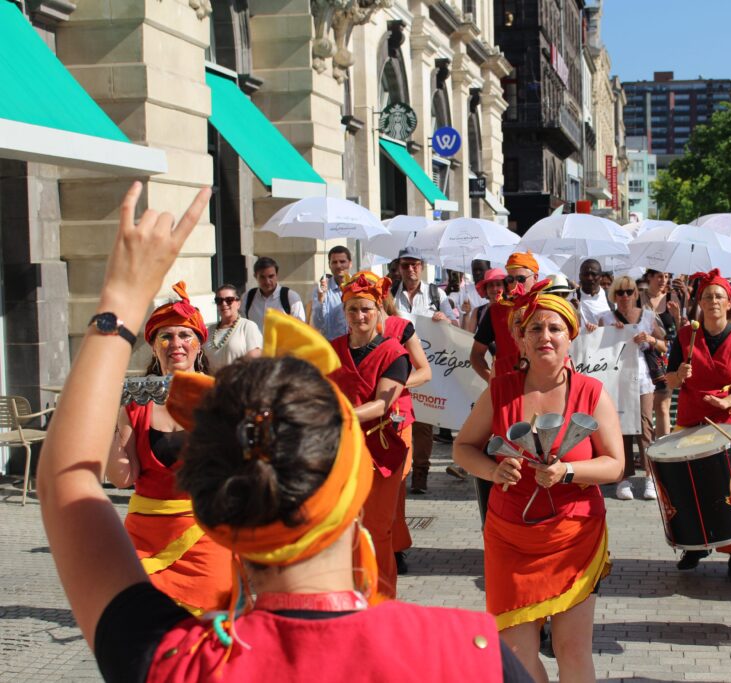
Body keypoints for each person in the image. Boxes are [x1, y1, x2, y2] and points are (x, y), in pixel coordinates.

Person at [38, 183, 532, 682]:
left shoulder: (175, 662)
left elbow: (65, 482)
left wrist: (119, 304)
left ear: (218, 518)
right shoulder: (471, 655)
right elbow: (66, 485)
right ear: (353, 488)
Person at [452, 282, 625, 682]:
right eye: (535, 329)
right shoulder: (500, 390)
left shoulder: (592, 393)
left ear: (570, 337)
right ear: (521, 340)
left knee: (572, 651)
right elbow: (463, 448)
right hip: (509, 536)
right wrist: (492, 471)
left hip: (574, 535)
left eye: (555, 328)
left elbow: (615, 465)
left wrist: (568, 471)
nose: (545, 336)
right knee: (515, 656)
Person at [106, 279, 233, 615]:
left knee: (208, 639)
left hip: (208, 535)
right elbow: (122, 477)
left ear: (199, 345)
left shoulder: (223, 398)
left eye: (184, 335)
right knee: (148, 642)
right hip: (145, 539)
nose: (175, 343)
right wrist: (108, 424)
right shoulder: (134, 404)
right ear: (154, 346)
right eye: (166, 336)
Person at [327, 273, 412, 599]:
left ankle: (381, 600)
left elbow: (381, 403)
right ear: (344, 312)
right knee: (341, 527)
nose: (359, 317)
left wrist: (339, 414)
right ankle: (346, 598)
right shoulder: (331, 350)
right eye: (352, 310)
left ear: (379, 310)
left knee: (376, 530)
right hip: (339, 451)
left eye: (366, 309)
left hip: (379, 451)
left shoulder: (394, 353)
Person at [666, 270, 731, 582]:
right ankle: (694, 545)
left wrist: (728, 403)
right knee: (689, 487)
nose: (713, 301)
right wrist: (678, 375)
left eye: (719, 297)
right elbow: (669, 378)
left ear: (729, 303)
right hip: (690, 419)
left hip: (728, 423)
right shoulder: (687, 335)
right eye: (707, 297)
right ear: (699, 303)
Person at [391, 246, 457, 494]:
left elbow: (454, 325)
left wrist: (445, 319)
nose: (410, 269)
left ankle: (420, 474)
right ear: (399, 267)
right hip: (395, 365)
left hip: (426, 367)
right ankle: (398, 471)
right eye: (406, 264)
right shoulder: (389, 294)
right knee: (395, 420)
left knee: (423, 423)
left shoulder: (434, 294)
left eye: (415, 264)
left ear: (422, 266)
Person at [598, 274, 666, 501]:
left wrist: (650, 339)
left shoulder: (647, 317)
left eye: (629, 291)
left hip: (643, 380)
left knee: (645, 428)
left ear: (636, 294)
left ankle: (650, 478)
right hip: (616, 382)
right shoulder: (605, 318)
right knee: (620, 430)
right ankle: (623, 479)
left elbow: (664, 346)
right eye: (620, 292)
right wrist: (603, 334)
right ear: (613, 295)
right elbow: (595, 350)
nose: (625, 296)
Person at [471, 252, 540, 381]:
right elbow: (476, 355)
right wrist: (493, 382)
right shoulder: (495, 311)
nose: (516, 284)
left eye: (521, 279)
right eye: (510, 279)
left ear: (535, 277)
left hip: (542, 390)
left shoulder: (548, 308)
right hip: (508, 388)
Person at [641, 269, 683, 439]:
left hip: (667, 357)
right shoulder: (638, 297)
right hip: (643, 357)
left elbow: (681, 333)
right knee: (646, 408)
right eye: (659, 276)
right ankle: (647, 449)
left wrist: (678, 317)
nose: (663, 280)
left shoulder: (672, 298)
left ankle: (662, 451)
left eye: (666, 276)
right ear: (649, 277)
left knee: (663, 406)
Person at [204, 284, 262, 372]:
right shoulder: (209, 331)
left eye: (229, 300)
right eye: (219, 300)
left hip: (238, 383)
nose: (224, 303)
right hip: (213, 384)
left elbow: (256, 356)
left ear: (238, 303)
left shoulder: (248, 326)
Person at [243, 256, 306, 330]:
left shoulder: (291, 297)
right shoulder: (247, 297)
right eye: (262, 277)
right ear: (255, 276)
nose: (267, 281)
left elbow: (300, 328)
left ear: (277, 275)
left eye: (271, 276)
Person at [310, 245, 352, 340]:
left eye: (342, 261)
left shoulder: (358, 286)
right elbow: (318, 324)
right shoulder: (321, 289)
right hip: (332, 346)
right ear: (329, 265)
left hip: (355, 347)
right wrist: (321, 300)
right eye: (334, 262)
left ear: (350, 263)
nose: (338, 265)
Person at [466, 267, 508, 340]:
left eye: (498, 284)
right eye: (491, 285)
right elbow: (468, 337)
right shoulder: (478, 311)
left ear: (505, 287)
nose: (494, 289)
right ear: (486, 289)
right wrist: (466, 314)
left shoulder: (513, 308)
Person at [576, 258, 611, 330]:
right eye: (586, 274)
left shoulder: (611, 297)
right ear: (580, 276)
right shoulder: (572, 297)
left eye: (594, 274)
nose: (590, 278)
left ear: (601, 277)